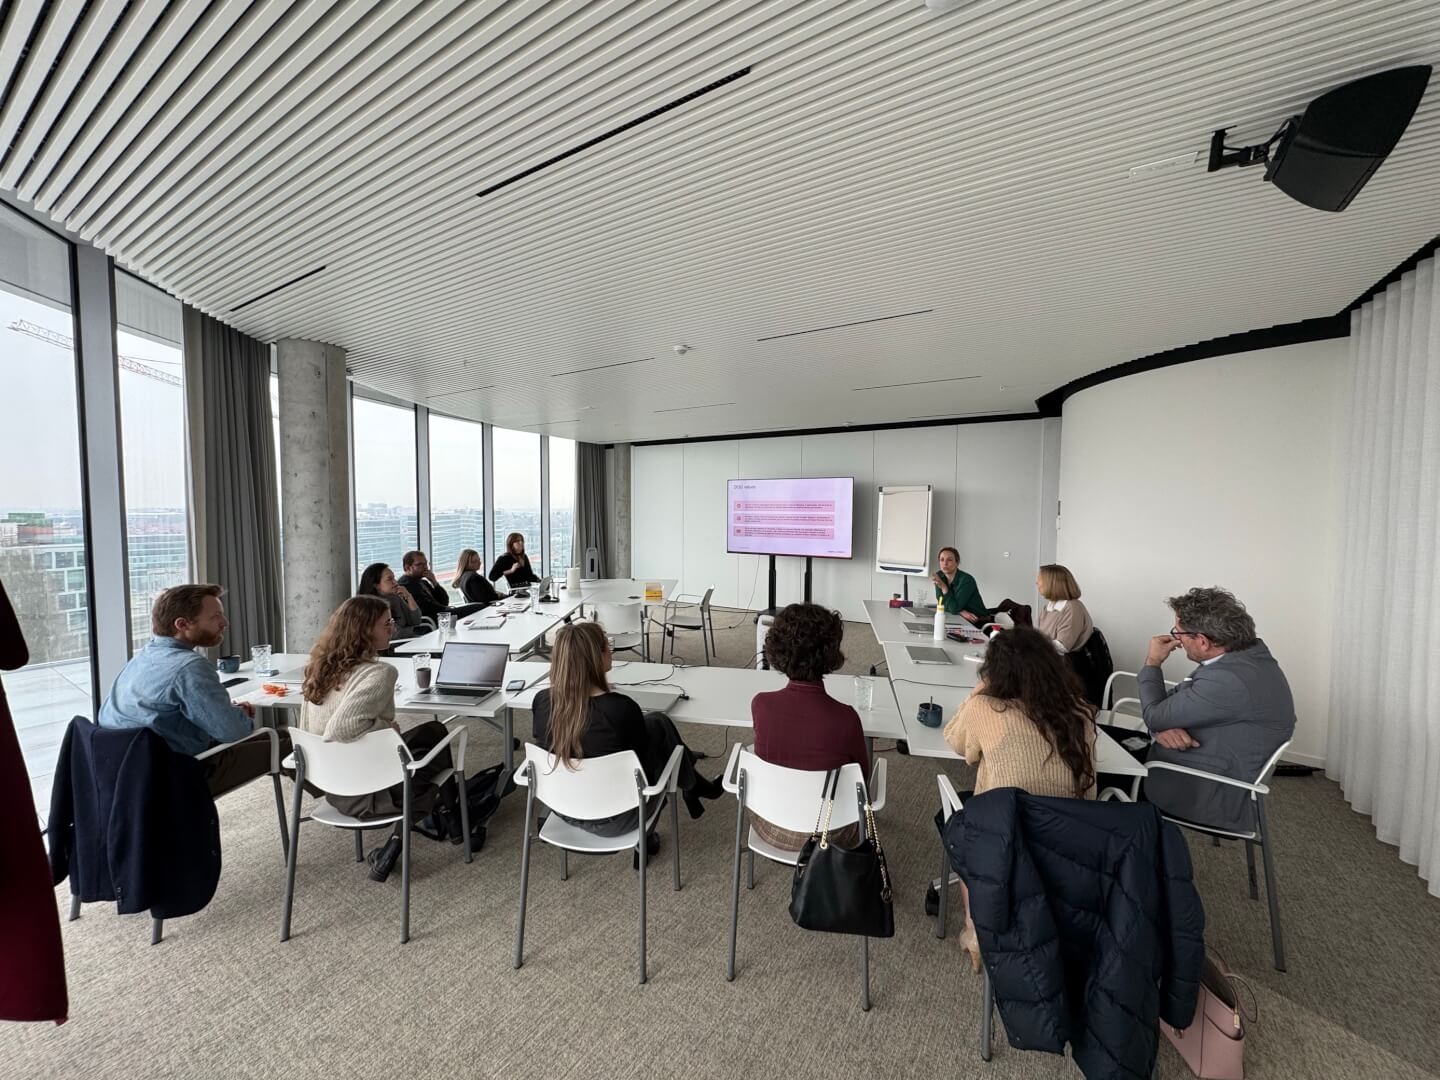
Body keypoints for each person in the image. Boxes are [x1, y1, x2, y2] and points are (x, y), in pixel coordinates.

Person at [942, 626, 1098, 970]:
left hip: (1003, 838)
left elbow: (956, 740)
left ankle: (975, 929)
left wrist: (979, 690)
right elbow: (1090, 791)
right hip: (1069, 839)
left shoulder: (986, 708)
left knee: (961, 823)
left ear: (995, 672)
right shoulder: (1081, 714)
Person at [298, 596, 466, 881]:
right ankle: (424, 831)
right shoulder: (380, 672)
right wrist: (387, 730)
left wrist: (383, 731)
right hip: (371, 793)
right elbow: (341, 728)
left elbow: (313, 732)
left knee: (433, 732)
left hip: (335, 788)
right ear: (364, 630)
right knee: (434, 753)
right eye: (386, 623)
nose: (393, 628)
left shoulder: (318, 670)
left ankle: (453, 820)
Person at [530, 621, 722, 846]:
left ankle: (694, 784)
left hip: (563, 808)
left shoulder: (542, 701)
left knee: (657, 722)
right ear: (597, 657)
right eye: (607, 646)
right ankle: (691, 786)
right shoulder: (619, 709)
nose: (611, 652)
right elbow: (644, 766)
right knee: (662, 738)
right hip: (619, 817)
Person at [1135, 587, 1296, 833]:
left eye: (1178, 633)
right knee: (1115, 739)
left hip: (1207, 787)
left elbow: (1155, 714)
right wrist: (1160, 726)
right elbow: (1166, 707)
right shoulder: (1248, 655)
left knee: (1100, 772)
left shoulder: (1227, 680)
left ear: (1202, 641)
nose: (1177, 639)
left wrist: (1153, 662)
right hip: (1217, 756)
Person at [98, 584, 277, 798]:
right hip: (174, 776)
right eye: (216, 617)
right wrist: (241, 717)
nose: (225, 623)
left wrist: (229, 714)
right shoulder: (189, 667)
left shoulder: (144, 656)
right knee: (292, 744)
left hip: (126, 772)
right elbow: (234, 732)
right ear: (182, 624)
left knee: (269, 739)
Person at [750, 603, 869, 850]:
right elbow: (862, 783)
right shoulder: (845, 718)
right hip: (830, 834)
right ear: (831, 652)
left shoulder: (761, 705)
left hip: (769, 826)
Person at [357, 562, 432, 639]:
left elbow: (416, 621)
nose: (395, 582)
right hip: (392, 644)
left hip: (408, 639)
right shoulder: (370, 606)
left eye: (394, 578)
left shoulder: (395, 597)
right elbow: (392, 633)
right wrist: (415, 630)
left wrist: (408, 596)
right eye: (389, 579)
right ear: (376, 585)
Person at [1035, 564, 1094, 653]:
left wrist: (1034, 643)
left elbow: (1063, 646)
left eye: (1040, 579)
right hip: (1047, 657)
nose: (1037, 582)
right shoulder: (1048, 607)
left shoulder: (1072, 608)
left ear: (1052, 583)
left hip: (1065, 660)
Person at [932, 547, 988, 626]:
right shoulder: (939, 576)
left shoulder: (967, 580)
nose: (945, 563)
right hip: (959, 618)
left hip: (977, 621)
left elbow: (954, 609)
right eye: (942, 560)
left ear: (957, 562)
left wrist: (944, 588)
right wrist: (960, 612)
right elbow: (941, 604)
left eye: (949, 560)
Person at [396, 550, 451, 621]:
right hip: (430, 620)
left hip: (440, 616)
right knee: (466, 610)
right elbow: (425, 607)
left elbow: (444, 601)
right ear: (408, 568)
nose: (425, 567)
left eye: (425, 563)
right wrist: (446, 609)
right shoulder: (406, 584)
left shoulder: (423, 582)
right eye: (419, 564)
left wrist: (434, 582)